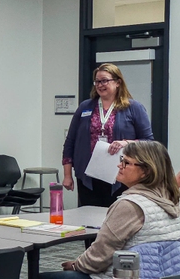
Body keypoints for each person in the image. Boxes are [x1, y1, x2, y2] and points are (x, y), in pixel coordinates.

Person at [40, 141, 180, 279]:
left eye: (126, 162)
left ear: (146, 171)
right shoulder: (172, 200)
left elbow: (99, 257)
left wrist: (76, 265)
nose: (119, 165)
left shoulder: (130, 205)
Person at [62, 63, 153, 207]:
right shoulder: (85, 107)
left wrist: (126, 142)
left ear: (118, 82)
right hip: (88, 175)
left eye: (105, 80)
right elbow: (70, 142)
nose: (100, 85)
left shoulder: (133, 108)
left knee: (117, 216)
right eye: (97, 81)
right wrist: (67, 175)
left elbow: (148, 142)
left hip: (121, 174)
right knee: (88, 217)